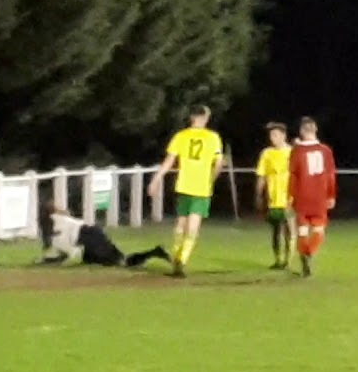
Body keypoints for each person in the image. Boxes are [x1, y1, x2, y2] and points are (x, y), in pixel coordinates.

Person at [147, 105, 224, 277]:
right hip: (201, 187)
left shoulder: (180, 136)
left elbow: (169, 161)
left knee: (180, 224)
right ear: (205, 118)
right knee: (193, 225)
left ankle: (176, 257)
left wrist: (156, 179)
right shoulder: (213, 137)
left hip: (183, 185)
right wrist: (211, 179)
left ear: (191, 117)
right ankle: (182, 259)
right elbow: (219, 163)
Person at [36, 203, 169, 268]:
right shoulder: (58, 220)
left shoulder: (55, 235)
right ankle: (153, 253)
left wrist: (47, 262)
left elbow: (70, 254)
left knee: (122, 262)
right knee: (90, 260)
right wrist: (46, 261)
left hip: (89, 237)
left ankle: (155, 252)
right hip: (90, 232)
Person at [288, 117, 337, 277]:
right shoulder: (325, 150)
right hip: (319, 196)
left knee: (302, 230)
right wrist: (331, 194)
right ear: (315, 130)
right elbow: (331, 175)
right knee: (319, 230)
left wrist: (290, 196)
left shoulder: (297, 151)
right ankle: (310, 252)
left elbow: (293, 176)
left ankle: (304, 256)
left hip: (302, 196)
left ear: (302, 132)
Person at [255, 122, 294, 269]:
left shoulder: (292, 152)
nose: (273, 138)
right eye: (271, 135)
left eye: (276, 135)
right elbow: (261, 175)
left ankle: (288, 261)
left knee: (289, 229)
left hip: (289, 198)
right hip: (272, 198)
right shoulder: (266, 153)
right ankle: (278, 259)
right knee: (276, 230)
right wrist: (258, 194)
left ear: (284, 136)